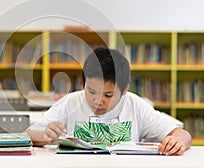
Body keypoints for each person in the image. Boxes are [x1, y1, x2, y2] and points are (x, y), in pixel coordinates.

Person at [24, 47, 192, 155]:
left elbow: (183, 135)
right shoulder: (71, 102)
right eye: (91, 91)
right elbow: (27, 135)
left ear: (125, 89)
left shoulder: (134, 105)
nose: (98, 101)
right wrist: (44, 135)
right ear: (83, 83)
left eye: (108, 95)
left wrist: (177, 142)